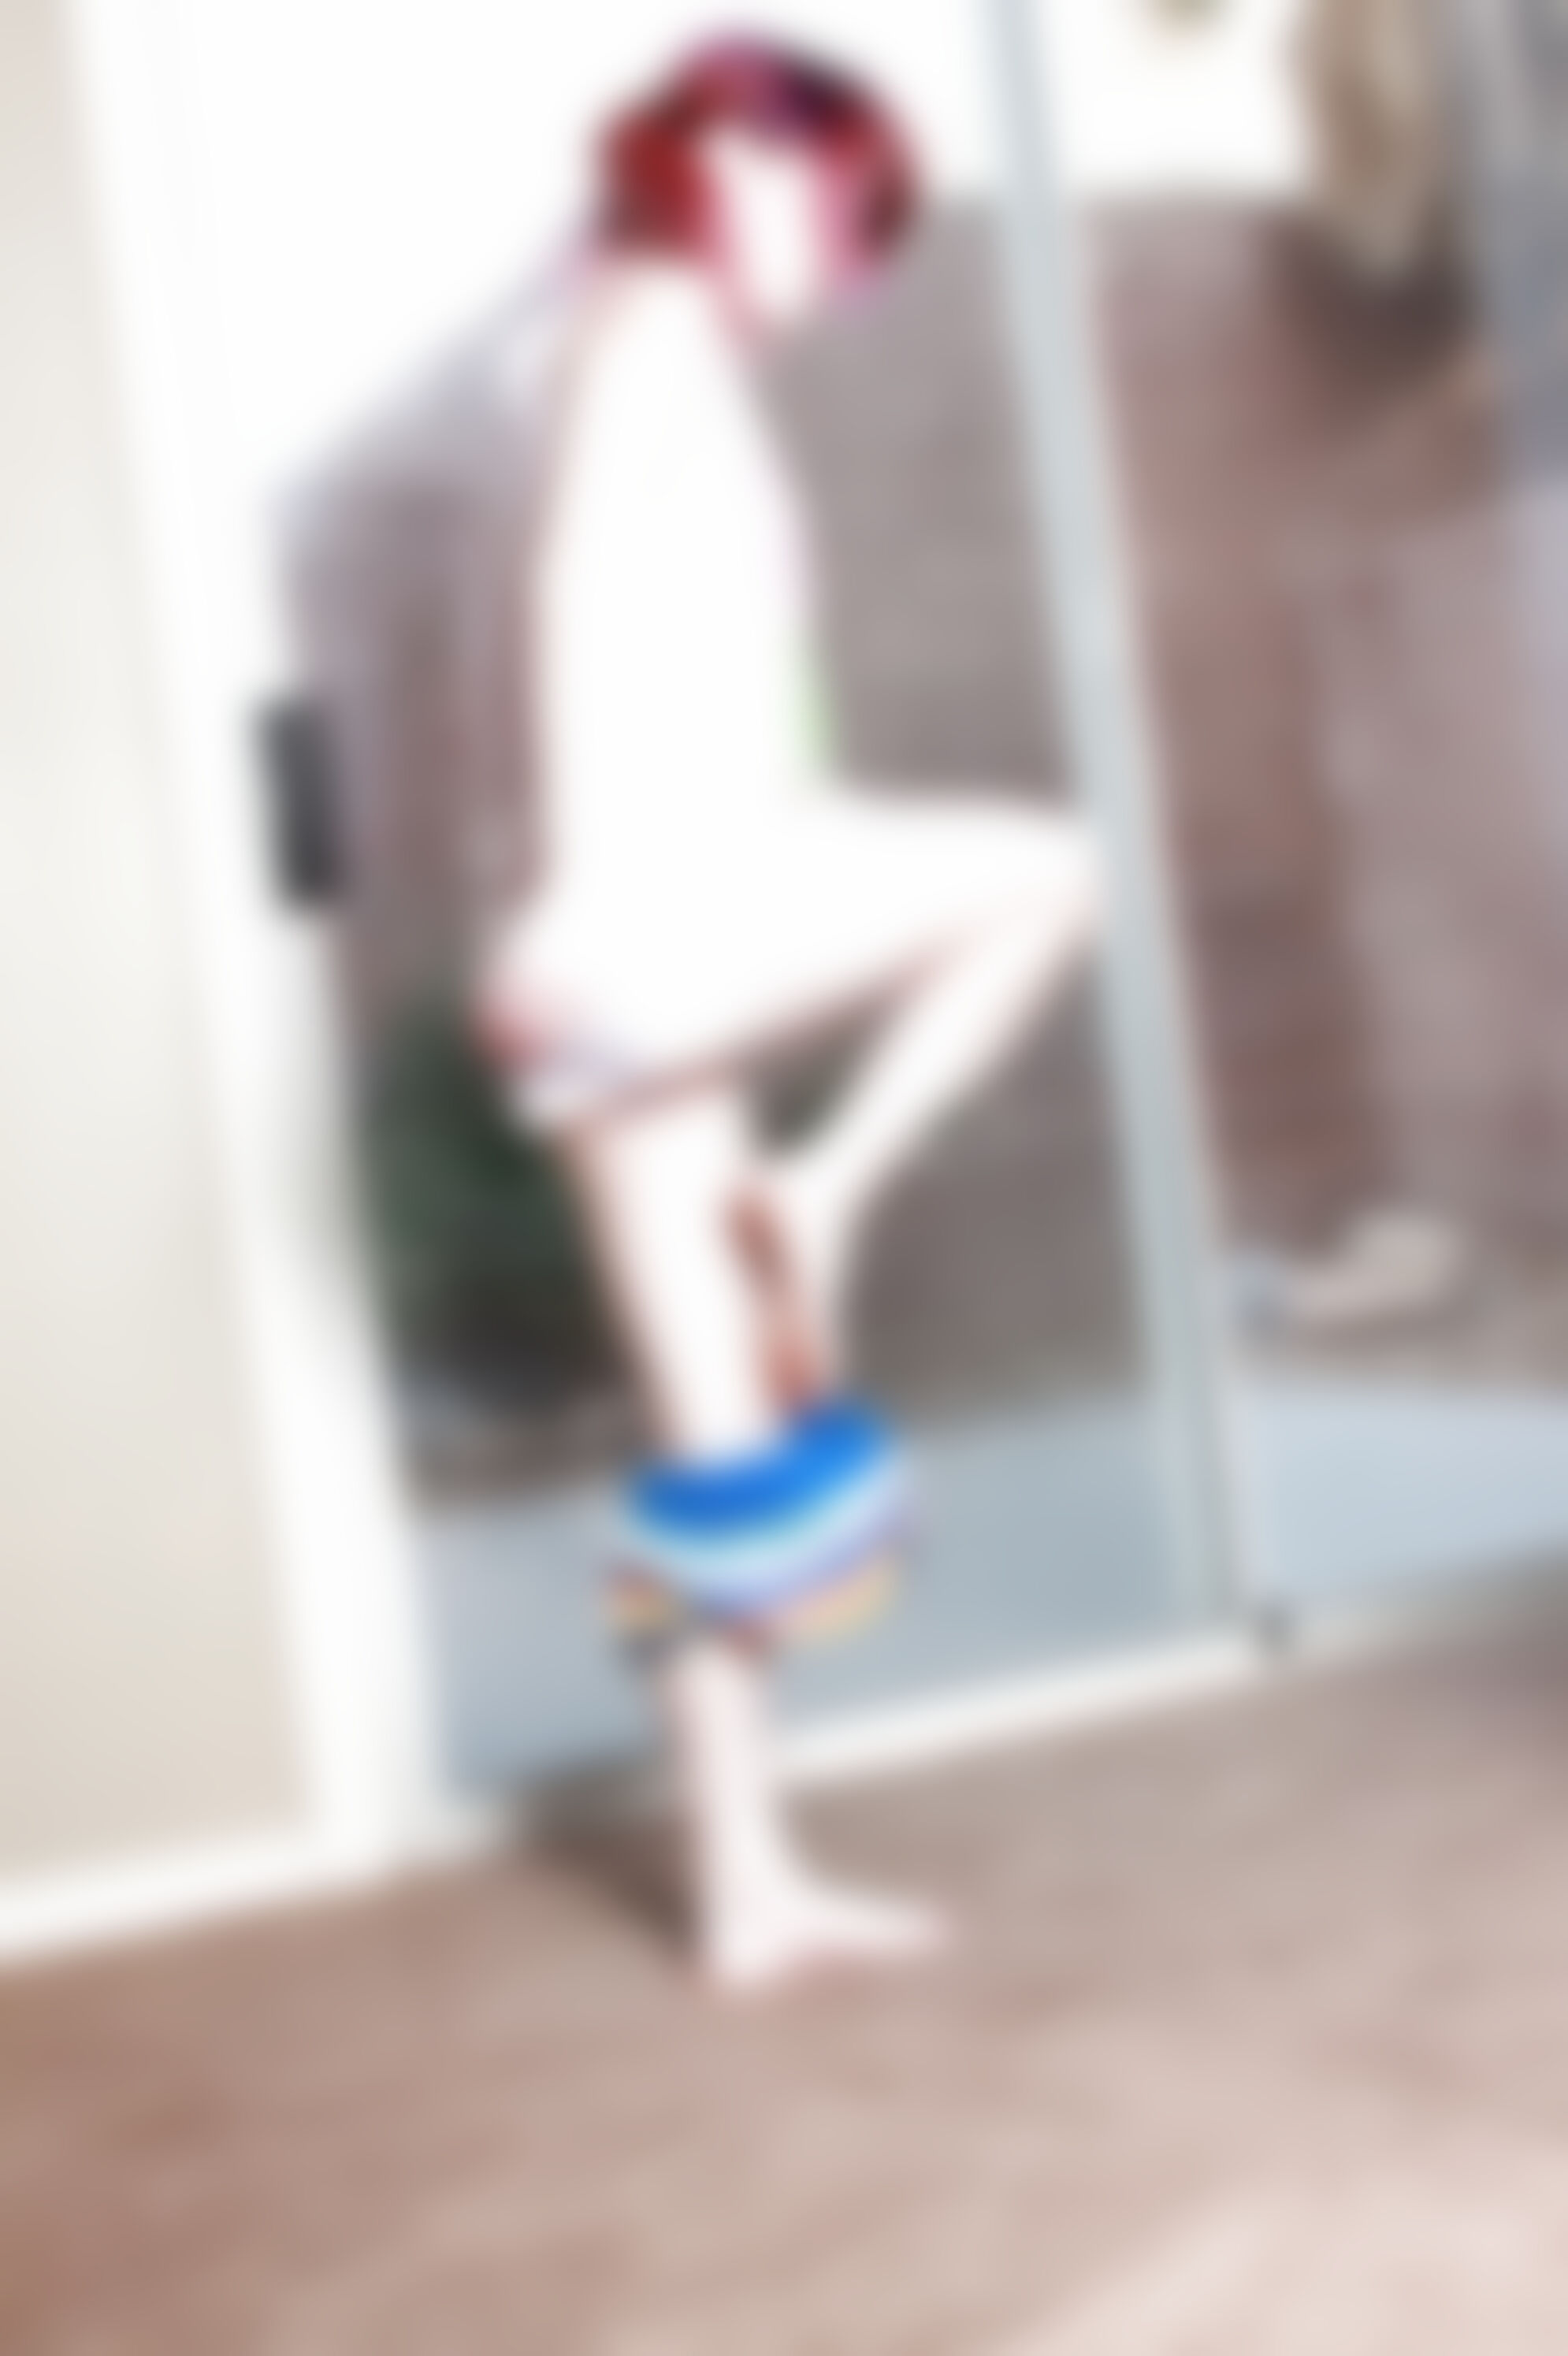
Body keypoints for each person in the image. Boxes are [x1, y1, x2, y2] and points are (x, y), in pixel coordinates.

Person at [470, 34, 1103, 1995]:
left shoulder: (608, 326)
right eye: (840, 211)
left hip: (628, 964)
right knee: (1053, 867)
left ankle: (744, 1887)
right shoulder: (649, 309)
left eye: (867, 237)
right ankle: (830, 1186)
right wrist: (588, 889)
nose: (846, 265)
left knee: (721, 1463)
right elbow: (570, 582)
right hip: (649, 915)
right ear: (734, 155)